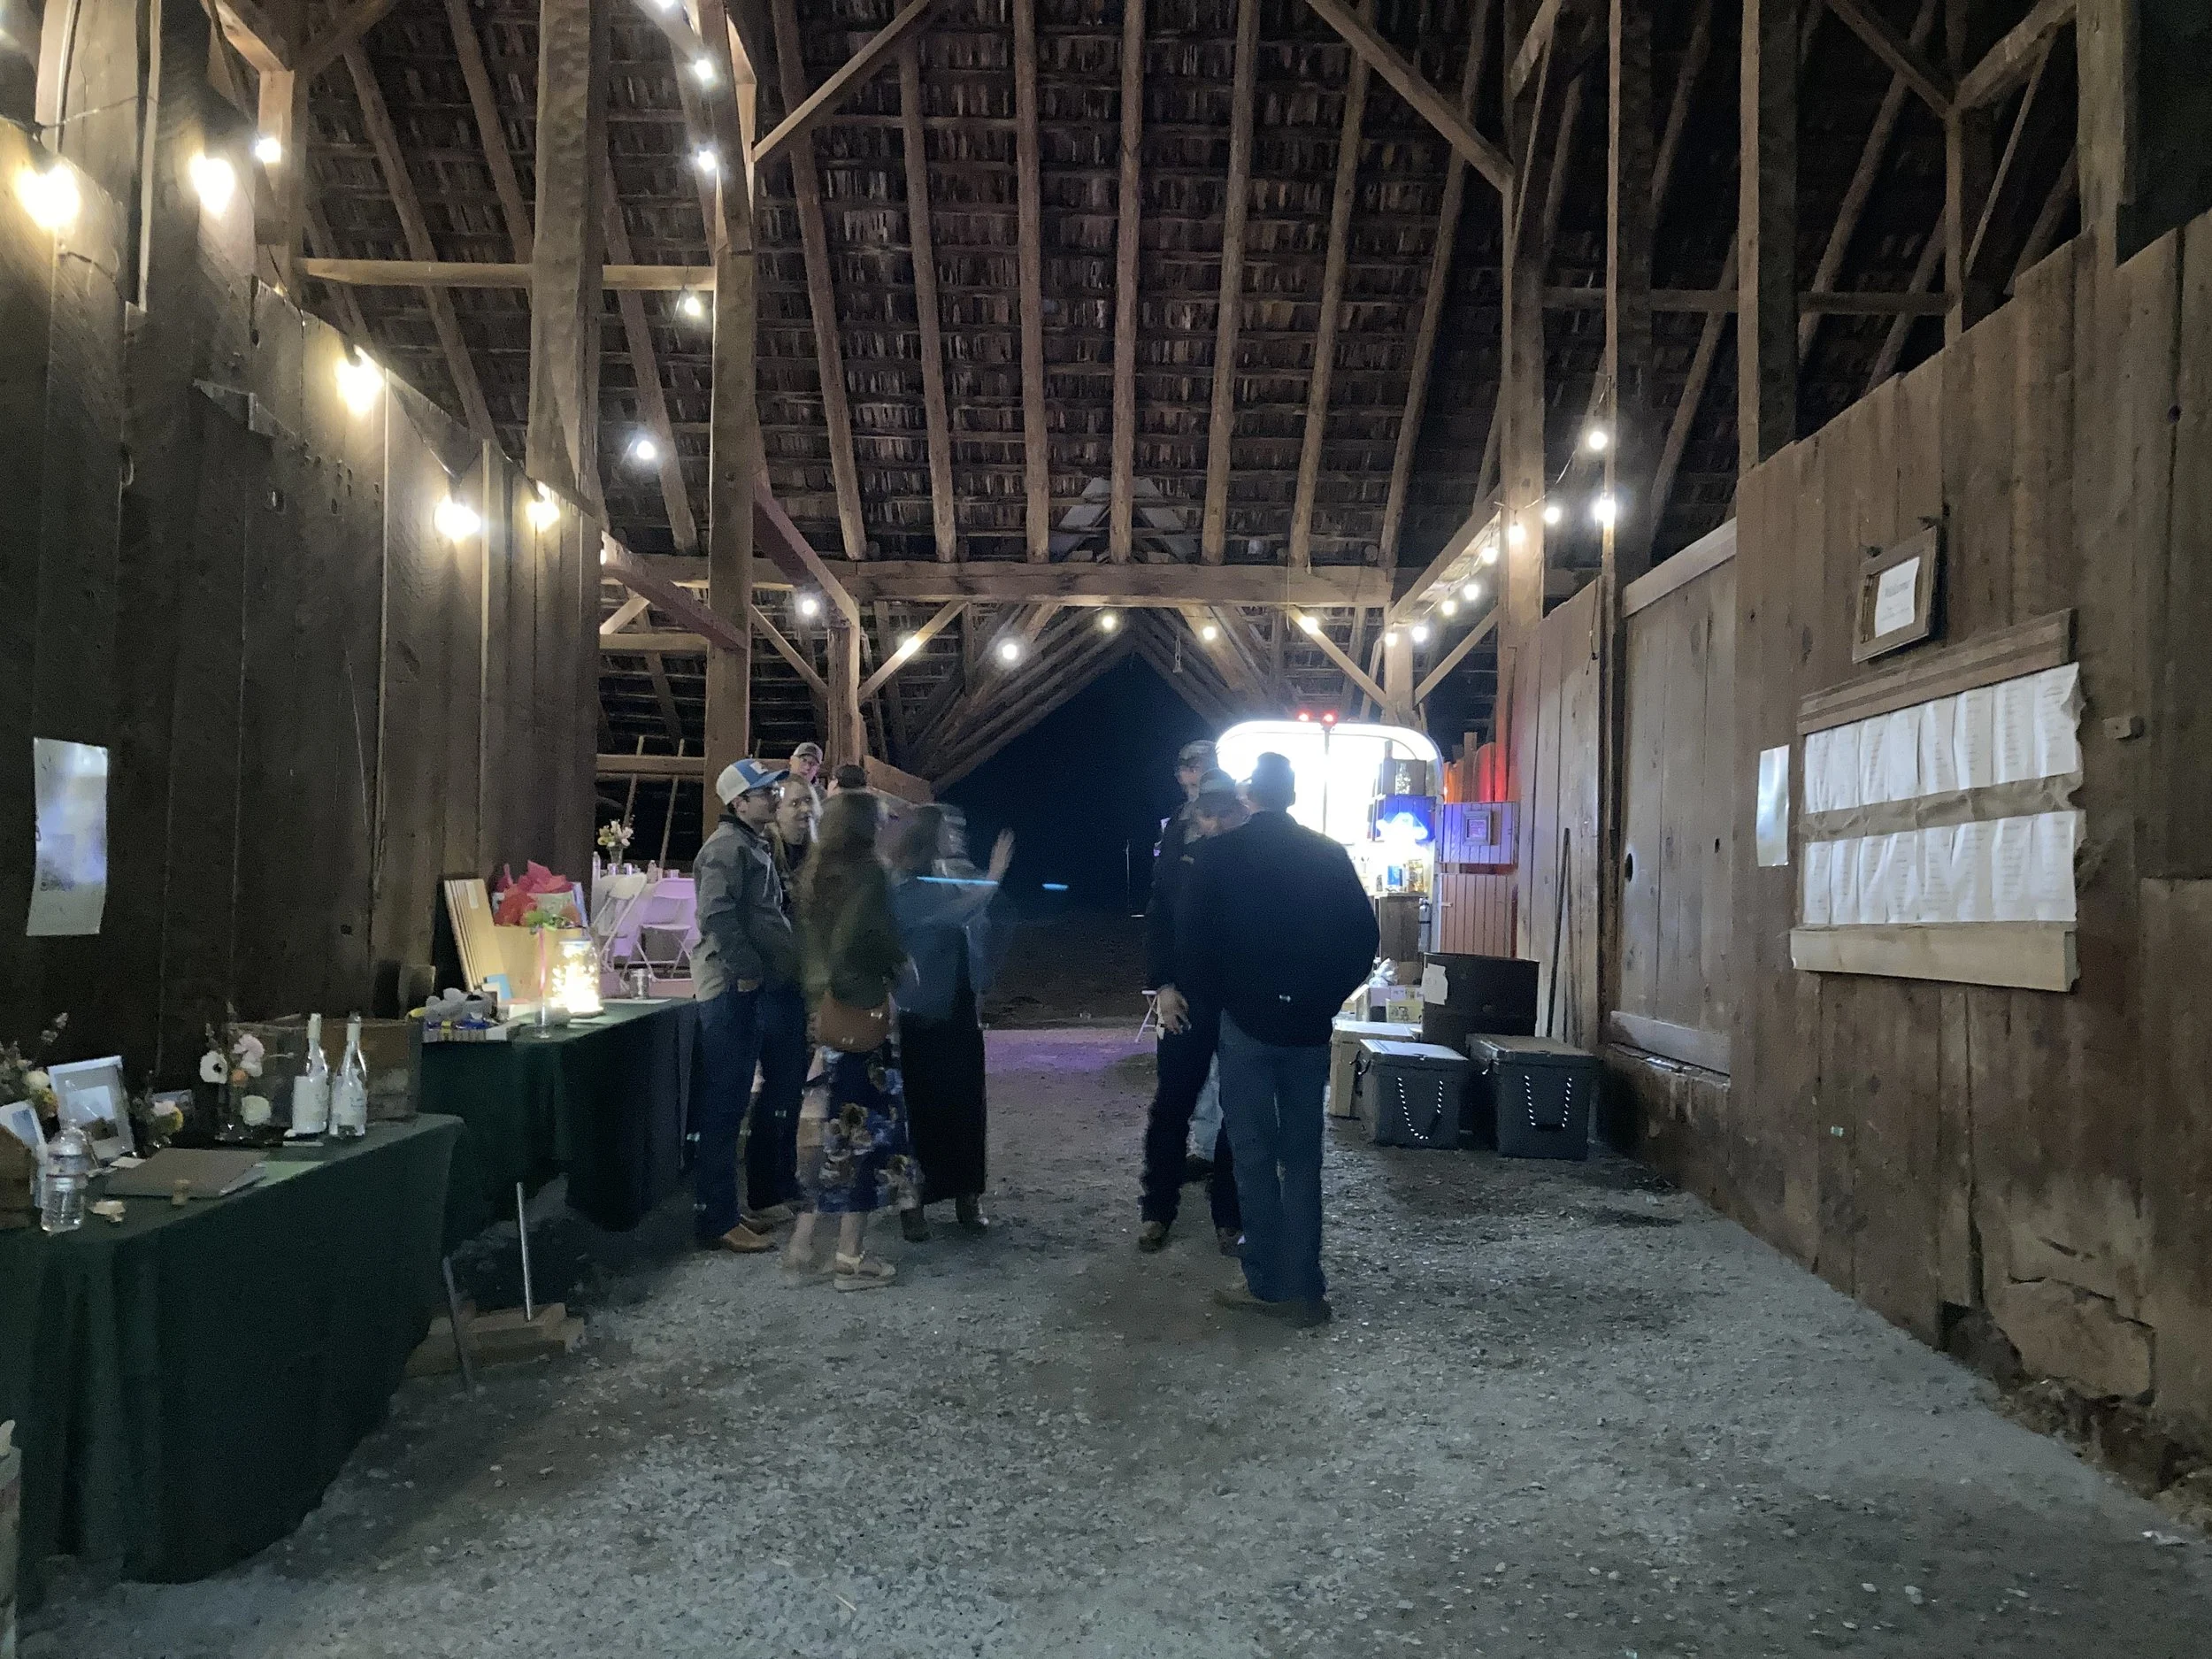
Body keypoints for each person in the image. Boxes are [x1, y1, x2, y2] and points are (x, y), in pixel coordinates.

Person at [1179, 752, 1379, 1325]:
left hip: (1245, 1025)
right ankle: (1307, 1284)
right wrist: (1327, 997)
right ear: (1291, 795)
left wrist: (1223, 996)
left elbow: (1193, 941)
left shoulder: (1218, 856)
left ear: (1250, 796)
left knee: (1253, 1156)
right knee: (1303, 1157)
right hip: (1307, 1030)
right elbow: (1364, 937)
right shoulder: (1328, 854)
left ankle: (1266, 1281)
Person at [787, 789, 922, 1290]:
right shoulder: (870, 876)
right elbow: (870, 940)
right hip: (861, 1014)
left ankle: (802, 1248)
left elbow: (809, 947)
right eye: (882, 821)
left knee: (833, 1134)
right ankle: (850, 1256)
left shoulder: (816, 875)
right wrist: (897, 966)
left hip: (826, 1017)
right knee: (868, 1135)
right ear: (866, 828)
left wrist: (817, 998)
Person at [692, 760, 809, 1255]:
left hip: (745, 988)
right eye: (763, 793)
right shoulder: (725, 849)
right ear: (738, 803)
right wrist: (747, 970)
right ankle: (715, 1219)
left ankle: (726, 1209)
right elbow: (716, 915)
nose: (773, 798)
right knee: (723, 1105)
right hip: (729, 990)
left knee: (734, 1100)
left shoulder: (749, 845)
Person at [888, 806, 1015, 1240]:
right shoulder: (906, 885)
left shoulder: (945, 875)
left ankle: (966, 1193)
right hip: (922, 1009)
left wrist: (982, 982)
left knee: (965, 1102)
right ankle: (914, 1201)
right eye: (948, 830)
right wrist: (994, 877)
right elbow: (954, 913)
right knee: (922, 1108)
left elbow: (978, 925)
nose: (957, 837)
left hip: (957, 1005)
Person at [1138, 768, 1243, 1257]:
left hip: (1239, 1003)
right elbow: (1158, 919)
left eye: (1223, 812)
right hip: (1184, 1000)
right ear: (1195, 813)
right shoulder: (1177, 851)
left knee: (1237, 1112)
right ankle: (1157, 1210)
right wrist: (1162, 986)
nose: (1214, 822)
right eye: (1207, 813)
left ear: (1238, 811)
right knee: (1171, 1106)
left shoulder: (1252, 856)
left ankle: (1230, 1216)